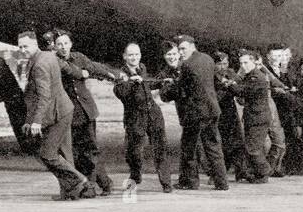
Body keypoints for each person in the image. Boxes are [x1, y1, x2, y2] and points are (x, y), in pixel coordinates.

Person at [18, 30, 92, 200]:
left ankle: (81, 181)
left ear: (35, 44)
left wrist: (36, 122)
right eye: (20, 46)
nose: (23, 49)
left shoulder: (39, 65)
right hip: (64, 109)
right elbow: (66, 67)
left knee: (47, 154)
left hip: (58, 113)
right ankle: (71, 192)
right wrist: (81, 73)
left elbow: (44, 96)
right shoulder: (49, 56)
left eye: (26, 46)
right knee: (65, 154)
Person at [51, 30, 117, 196]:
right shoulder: (55, 62)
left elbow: (93, 67)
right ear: (55, 46)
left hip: (86, 111)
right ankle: (95, 184)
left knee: (91, 150)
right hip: (69, 113)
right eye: (59, 44)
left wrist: (111, 74)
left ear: (71, 44)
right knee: (76, 152)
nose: (63, 47)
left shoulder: (79, 57)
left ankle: (100, 184)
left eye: (66, 43)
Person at [171, 35, 228, 191]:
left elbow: (181, 89)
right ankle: (222, 183)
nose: (181, 52)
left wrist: (168, 89)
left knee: (189, 148)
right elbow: (214, 82)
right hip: (212, 110)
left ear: (192, 46)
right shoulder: (208, 59)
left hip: (195, 114)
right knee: (214, 147)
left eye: (183, 48)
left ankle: (190, 182)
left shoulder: (187, 65)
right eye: (179, 49)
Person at [112, 42, 171, 192]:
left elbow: (147, 85)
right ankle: (135, 175)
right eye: (130, 55)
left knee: (160, 148)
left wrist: (161, 83)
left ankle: (166, 182)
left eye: (137, 54)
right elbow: (120, 92)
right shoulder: (121, 75)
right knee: (134, 152)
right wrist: (132, 83)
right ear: (125, 56)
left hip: (153, 113)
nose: (134, 57)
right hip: (135, 116)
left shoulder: (142, 68)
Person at [224, 50, 274, 183]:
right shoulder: (251, 75)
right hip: (254, 116)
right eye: (241, 63)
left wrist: (230, 84)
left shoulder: (256, 77)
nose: (243, 66)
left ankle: (264, 173)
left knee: (253, 149)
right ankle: (254, 172)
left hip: (258, 118)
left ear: (254, 62)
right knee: (252, 146)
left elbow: (242, 91)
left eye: (246, 62)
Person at [213, 51, 248, 180]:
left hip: (230, 112)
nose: (223, 67)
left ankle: (241, 171)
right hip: (217, 113)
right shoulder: (210, 76)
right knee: (221, 144)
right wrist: (223, 86)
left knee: (238, 141)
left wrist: (231, 85)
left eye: (226, 63)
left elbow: (239, 90)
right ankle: (219, 173)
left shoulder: (230, 73)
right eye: (220, 64)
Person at [259, 44, 290, 177]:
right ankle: (264, 169)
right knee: (265, 143)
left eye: (280, 56)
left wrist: (284, 88)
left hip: (278, 110)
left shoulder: (280, 70)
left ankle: (272, 168)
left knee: (279, 142)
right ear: (268, 57)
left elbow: (280, 83)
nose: (278, 59)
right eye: (275, 56)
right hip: (266, 108)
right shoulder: (263, 70)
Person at [0, 56, 28, 143]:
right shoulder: (3, 69)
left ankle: (25, 143)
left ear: (3, 67)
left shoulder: (5, 75)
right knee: (17, 123)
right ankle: (24, 143)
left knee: (18, 123)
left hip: (14, 102)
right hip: (13, 100)